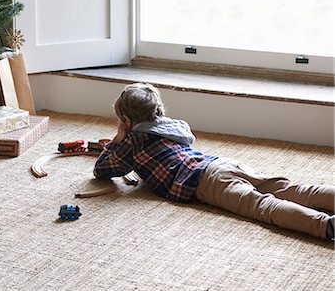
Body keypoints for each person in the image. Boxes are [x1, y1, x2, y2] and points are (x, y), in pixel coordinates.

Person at [93, 83, 335, 240]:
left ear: (125, 119)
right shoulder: (172, 126)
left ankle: (326, 226)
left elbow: (102, 170)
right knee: (289, 188)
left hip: (206, 181)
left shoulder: (131, 142)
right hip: (221, 163)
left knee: (262, 206)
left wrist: (118, 137)